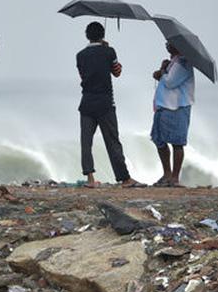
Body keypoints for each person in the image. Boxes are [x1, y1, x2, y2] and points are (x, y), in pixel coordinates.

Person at [76, 21, 141, 187]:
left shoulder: (80, 55)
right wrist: (109, 53)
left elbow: (83, 76)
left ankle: (90, 179)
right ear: (102, 35)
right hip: (105, 103)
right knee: (113, 142)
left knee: (86, 142)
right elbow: (117, 72)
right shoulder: (109, 52)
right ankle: (124, 178)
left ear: (87, 36)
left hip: (87, 103)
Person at [151, 41, 195, 185]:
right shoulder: (174, 62)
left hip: (177, 107)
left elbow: (170, 82)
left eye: (170, 44)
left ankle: (174, 177)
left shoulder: (183, 63)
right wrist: (162, 70)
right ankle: (167, 174)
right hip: (164, 106)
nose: (167, 45)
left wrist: (162, 71)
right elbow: (166, 79)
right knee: (159, 140)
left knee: (177, 143)